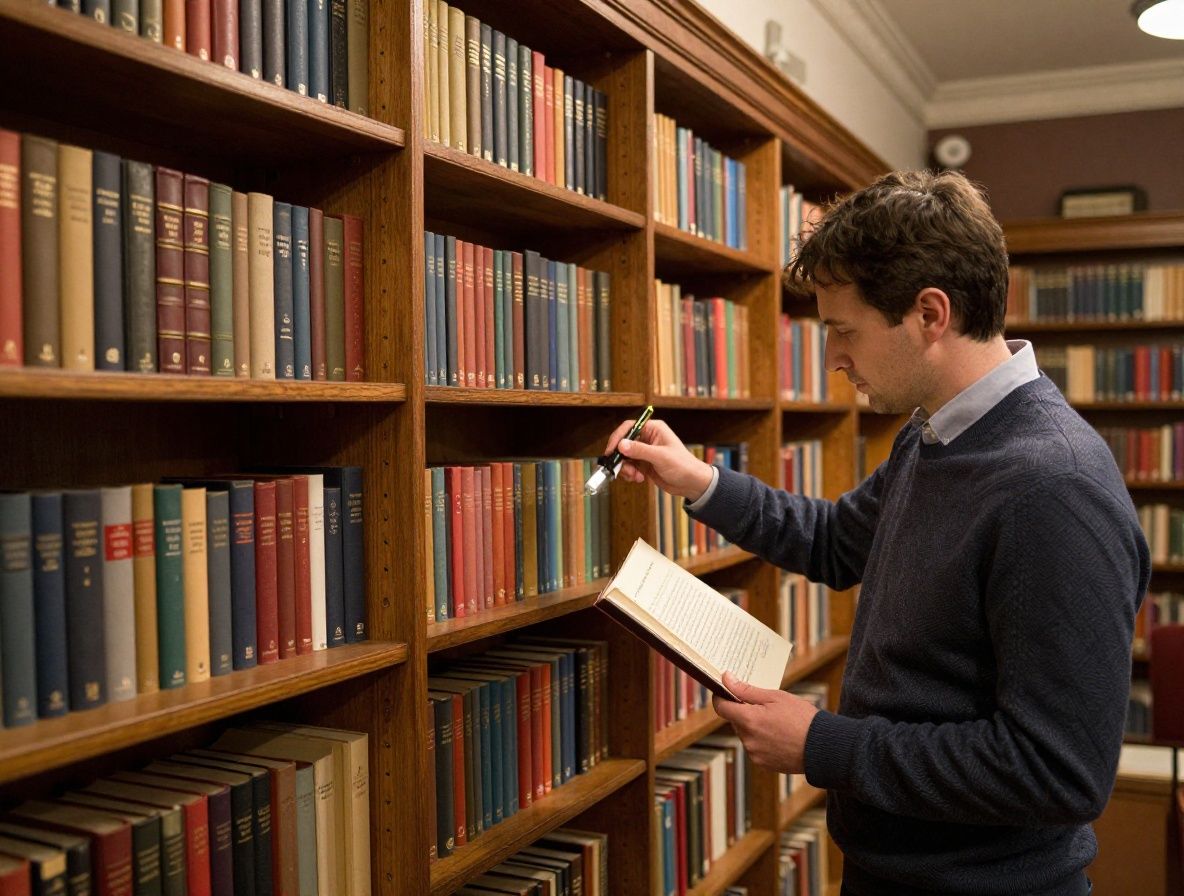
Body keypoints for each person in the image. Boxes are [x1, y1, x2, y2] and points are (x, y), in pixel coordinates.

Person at [604, 170, 1149, 896]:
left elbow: (1058, 772)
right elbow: (835, 543)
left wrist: (822, 744)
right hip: (893, 870)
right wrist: (697, 480)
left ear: (930, 314)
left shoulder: (1052, 488)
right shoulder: (931, 436)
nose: (833, 359)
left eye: (842, 330)